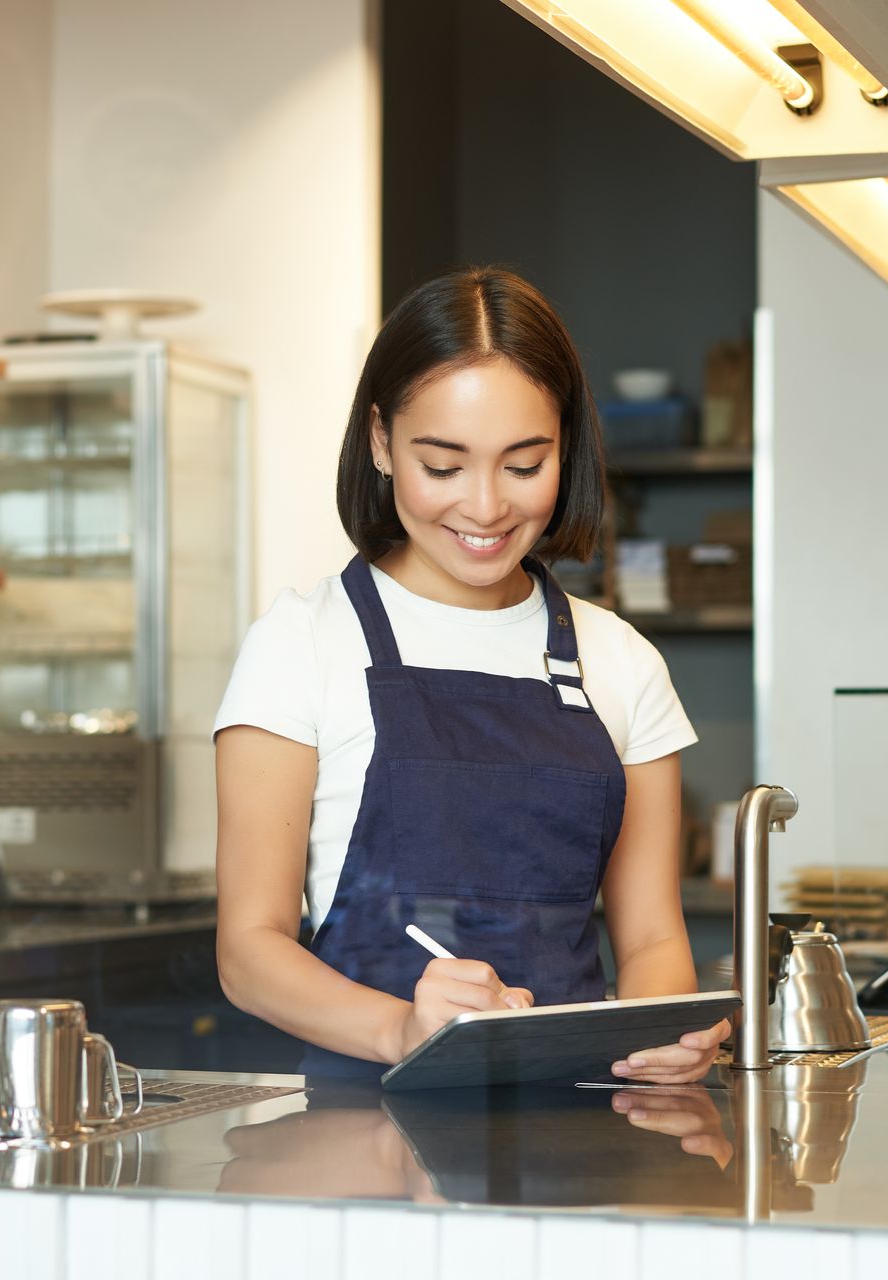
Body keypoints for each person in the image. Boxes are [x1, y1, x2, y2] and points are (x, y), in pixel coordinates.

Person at [214, 267, 730, 1080]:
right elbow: (249, 951)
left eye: (524, 466)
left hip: (580, 1143)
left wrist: (660, 1034)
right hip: (362, 1151)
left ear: (567, 447)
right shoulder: (300, 644)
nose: (486, 508)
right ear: (382, 442)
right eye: (444, 466)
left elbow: (655, 942)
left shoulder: (621, 660)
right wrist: (403, 1032)